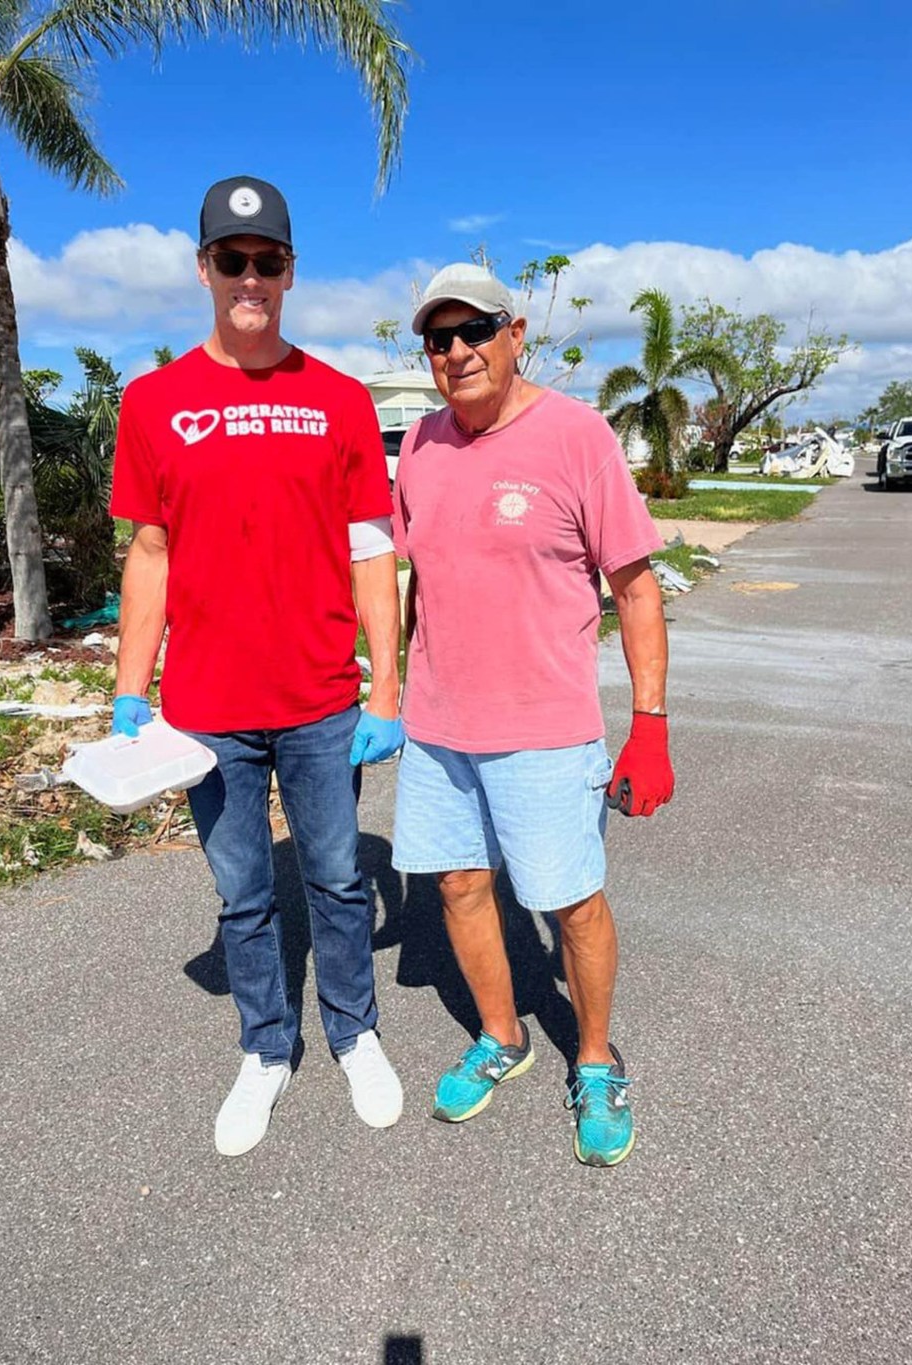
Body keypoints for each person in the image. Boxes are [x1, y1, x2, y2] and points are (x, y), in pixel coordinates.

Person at [109, 175, 405, 1157]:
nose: (249, 277)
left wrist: (388, 685)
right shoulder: (152, 403)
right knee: (242, 894)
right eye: (230, 260)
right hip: (204, 710)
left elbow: (373, 551)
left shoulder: (340, 400)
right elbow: (148, 554)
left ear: (288, 272)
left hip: (322, 700)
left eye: (266, 261)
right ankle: (265, 1050)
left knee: (333, 880)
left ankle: (354, 1034)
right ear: (204, 269)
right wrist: (128, 690)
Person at [391, 263, 674, 1166]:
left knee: (570, 904)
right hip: (440, 730)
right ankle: (503, 1034)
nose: (460, 351)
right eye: (441, 338)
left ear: (516, 334)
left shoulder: (575, 434)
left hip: (547, 730)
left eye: (476, 329)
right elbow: (412, 582)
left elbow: (635, 587)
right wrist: (388, 688)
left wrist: (652, 724)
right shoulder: (421, 447)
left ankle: (594, 1057)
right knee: (459, 886)